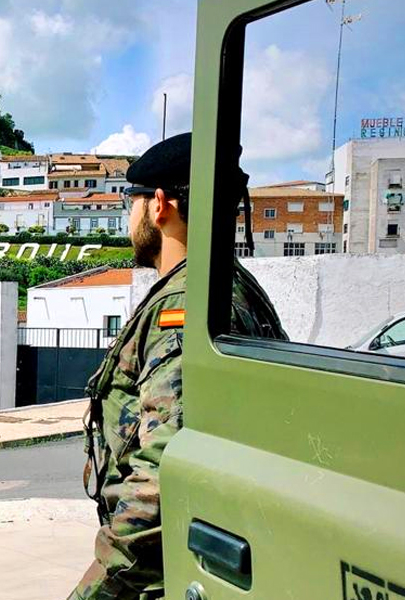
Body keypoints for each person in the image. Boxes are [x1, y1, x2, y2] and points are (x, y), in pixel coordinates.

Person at [69, 133, 287, 600]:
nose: (130, 217)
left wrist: (96, 592)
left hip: (167, 576)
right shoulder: (230, 287)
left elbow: (163, 476)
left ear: (159, 205)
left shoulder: (187, 306)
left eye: (134, 201)